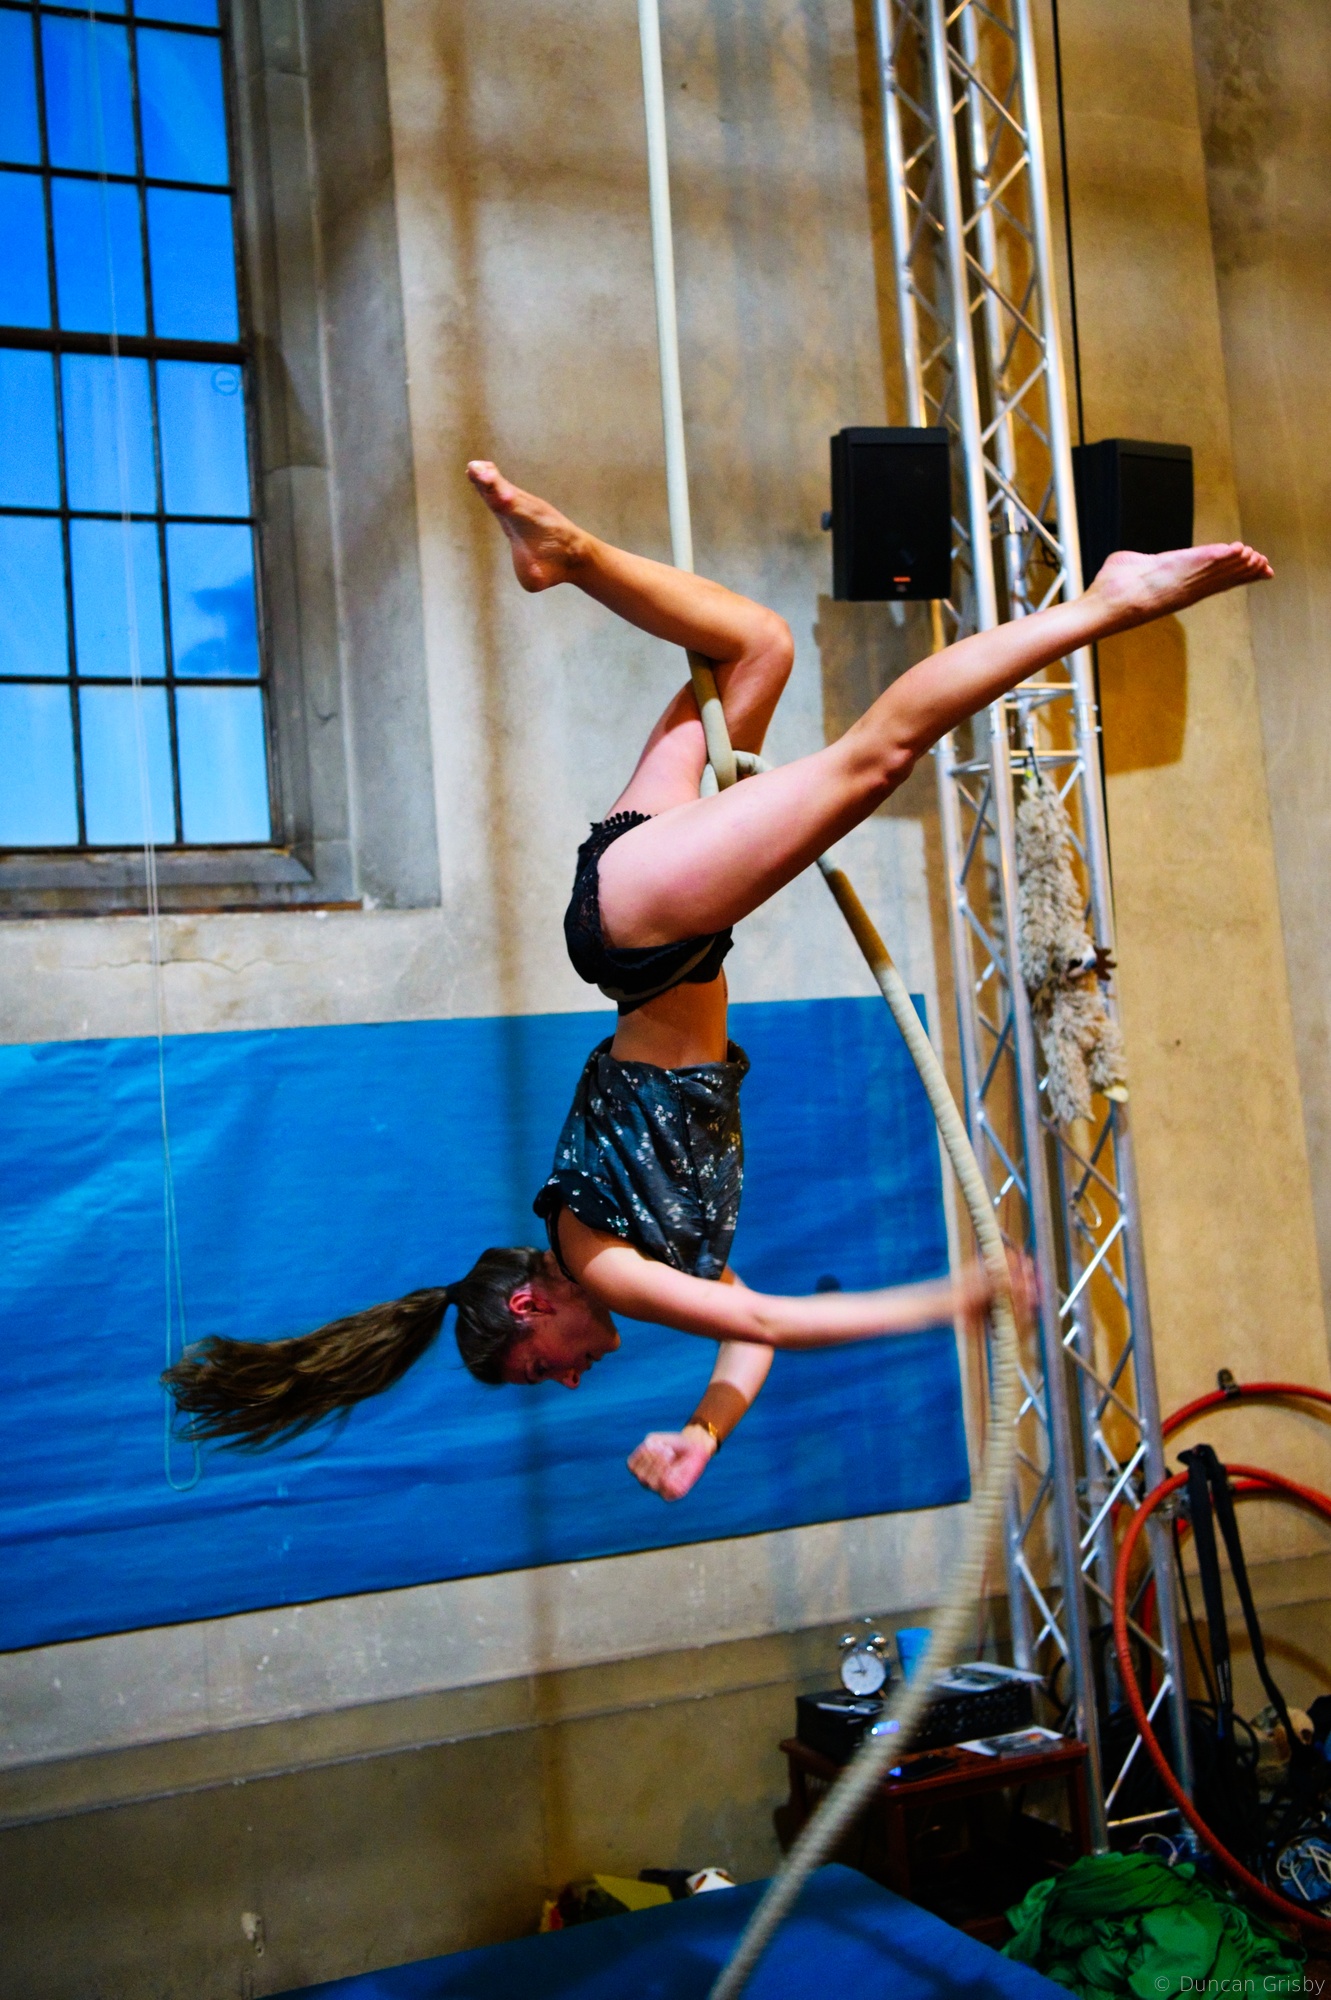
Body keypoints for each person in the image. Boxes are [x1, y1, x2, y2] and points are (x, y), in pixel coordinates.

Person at [165, 464, 1270, 1500]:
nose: (569, 1379)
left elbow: (775, 1323)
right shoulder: (633, 1253)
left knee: (877, 754)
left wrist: (955, 1298)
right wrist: (704, 1432)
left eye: (540, 1365)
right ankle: (567, 558)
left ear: (528, 1304)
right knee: (757, 648)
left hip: (651, 934)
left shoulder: (606, 1262)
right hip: (642, 921)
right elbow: (746, 1334)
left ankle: (1108, 603)